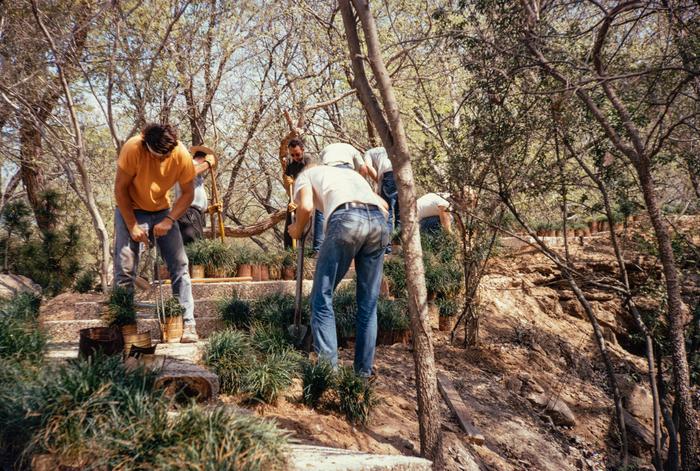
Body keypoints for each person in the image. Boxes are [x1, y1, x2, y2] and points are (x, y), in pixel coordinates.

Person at [288, 163, 388, 378]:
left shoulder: (305, 176)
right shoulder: (349, 175)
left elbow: (305, 207)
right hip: (379, 222)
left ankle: (328, 373)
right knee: (368, 303)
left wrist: (296, 229)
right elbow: (384, 205)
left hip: (346, 219)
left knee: (322, 297)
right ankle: (363, 374)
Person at [113, 123, 199, 343]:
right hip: (130, 209)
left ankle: (188, 324)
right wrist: (132, 225)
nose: (162, 160)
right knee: (124, 269)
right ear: (146, 144)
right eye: (157, 155)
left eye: (166, 156)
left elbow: (188, 194)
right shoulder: (132, 149)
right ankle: (122, 327)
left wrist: (169, 220)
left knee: (180, 265)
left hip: (162, 211)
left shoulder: (180, 154)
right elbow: (120, 189)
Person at [280, 134, 326, 252]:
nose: (295, 157)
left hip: (314, 195)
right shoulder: (291, 164)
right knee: (290, 220)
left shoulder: (309, 161)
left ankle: (315, 250)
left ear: (303, 150)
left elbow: (308, 182)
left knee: (314, 220)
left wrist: (295, 182)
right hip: (298, 196)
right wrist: (292, 199)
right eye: (293, 155)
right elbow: (291, 187)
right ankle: (290, 253)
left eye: (297, 154)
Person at [173, 145, 216, 245]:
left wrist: (207, 209)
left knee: (196, 245)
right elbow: (190, 172)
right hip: (188, 212)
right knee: (192, 245)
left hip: (192, 213)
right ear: (203, 159)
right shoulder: (192, 163)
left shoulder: (197, 175)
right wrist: (208, 163)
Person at [361, 147, 398, 252]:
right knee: (401, 214)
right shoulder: (390, 147)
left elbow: (367, 166)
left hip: (389, 176)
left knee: (388, 213)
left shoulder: (368, 152)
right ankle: (398, 247)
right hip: (403, 172)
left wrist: (378, 180)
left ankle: (387, 247)